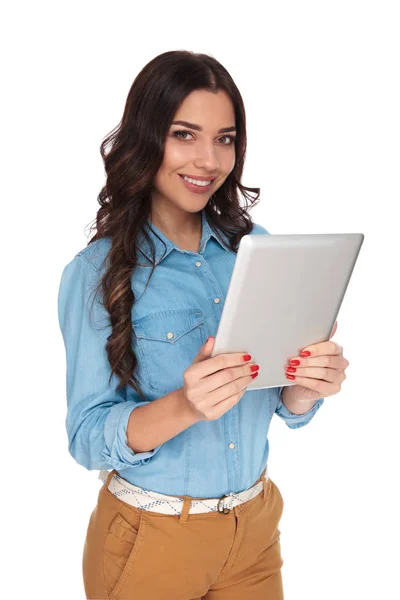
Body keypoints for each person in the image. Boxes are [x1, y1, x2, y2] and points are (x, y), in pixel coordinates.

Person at [57, 50, 335, 600]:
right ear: (147, 137)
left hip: (253, 530)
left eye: (225, 139)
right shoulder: (95, 273)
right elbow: (87, 438)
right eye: (185, 134)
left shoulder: (258, 254)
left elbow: (280, 402)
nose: (208, 159)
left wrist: (304, 389)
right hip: (150, 541)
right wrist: (185, 406)